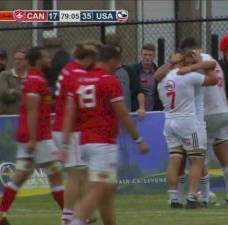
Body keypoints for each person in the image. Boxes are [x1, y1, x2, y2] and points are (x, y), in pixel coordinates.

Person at [60, 44, 148, 225]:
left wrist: (65, 143)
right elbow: (122, 114)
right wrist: (138, 139)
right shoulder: (109, 80)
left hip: (84, 141)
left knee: (105, 193)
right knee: (101, 187)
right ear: (112, 61)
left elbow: (70, 112)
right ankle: (76, 221)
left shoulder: (82, 80)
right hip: (103, 142)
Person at [0, 47, 64, 225]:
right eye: (46, 57)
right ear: (38, 60)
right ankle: (72, 217)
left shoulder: (36, 79)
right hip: (38, 136)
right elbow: (32, 110)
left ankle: (0, 215)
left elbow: (40, 107)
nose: (49, 60)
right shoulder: (35, 80)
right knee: (55, 172)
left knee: (21, 175)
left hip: (32, 135)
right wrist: (33, 138)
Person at [178, 37, 228, 206]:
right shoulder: (213, 60)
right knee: (224, 156)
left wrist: (188, 66)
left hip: (207, 114)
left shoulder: (197, 62)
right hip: (223, 111)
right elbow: (221, 86)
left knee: (196, 155)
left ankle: (204, 195)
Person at [157, 50, 218, 209]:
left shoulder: (162, 80)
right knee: (197, 161)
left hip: (169, 122)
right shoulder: (188, 76)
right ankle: (192, 198)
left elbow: (156, 75)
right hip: (189, 122)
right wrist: (197, 63)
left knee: (175, 161)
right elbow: (213, 78)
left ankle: (174, 199)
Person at [52, 40, 101, 225]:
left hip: (67, 127)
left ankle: (83, 214)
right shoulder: (78, 74)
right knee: (75, 173)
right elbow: (74, 106)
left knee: (83, 173)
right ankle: (67, 216)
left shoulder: (68, 68)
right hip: (70, 129)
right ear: (89, 58)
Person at [105, 41, 146, 119]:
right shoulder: (103, 72)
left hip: (126, 114)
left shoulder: (128, 71)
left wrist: (141, 108)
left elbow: (139, 91)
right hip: (108, 116)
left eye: (117, 53)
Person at [131, 44, 163, 111]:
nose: (147, 57)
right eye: (145, 55)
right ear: (141, 55)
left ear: (154, 57)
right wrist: (137, 85)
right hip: (137, 110)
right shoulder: (133, 70)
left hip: (154, 109)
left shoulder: (158, 71)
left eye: (150, 55)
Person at [0, 49, 29, 114]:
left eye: (20, 59)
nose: (17, 61)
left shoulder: (30, 77)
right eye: (16, 59)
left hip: (25, 115)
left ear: (26, 61)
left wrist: (13, 91)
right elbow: (3, 95)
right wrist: (21, 91)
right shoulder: (5, 75)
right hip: (8, 115)